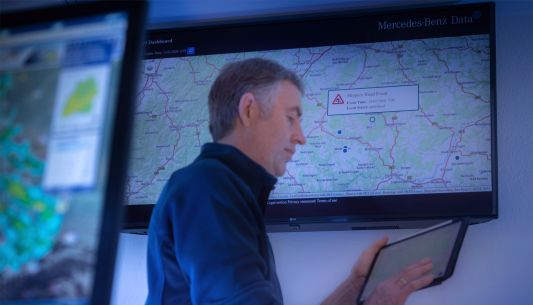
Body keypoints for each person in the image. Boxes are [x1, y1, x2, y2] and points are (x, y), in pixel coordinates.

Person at [145, 58, 434, 305]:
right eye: (291, 118)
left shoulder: (222, 189)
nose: (300, 136)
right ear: (249, 110)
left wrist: (357, 284)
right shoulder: (208, 189)